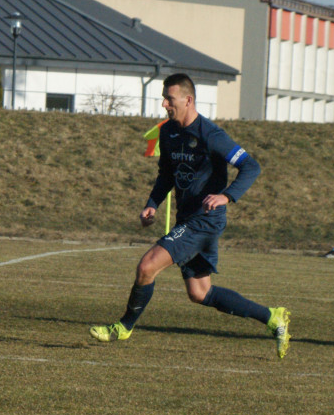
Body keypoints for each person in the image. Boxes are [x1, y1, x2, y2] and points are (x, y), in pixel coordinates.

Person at [89, 73, 291, 358]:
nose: (164, 104)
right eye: (164, 99)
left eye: (169, 99)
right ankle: (272, 317)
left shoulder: (211, 135)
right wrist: (152, 203)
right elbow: (166, 175)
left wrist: (226, 196)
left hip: (204, 221)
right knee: (200, 292)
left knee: (147, 266)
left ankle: (123, 327)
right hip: (188, 220)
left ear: (188, 100)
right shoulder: (168, 132)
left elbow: (251, 166)